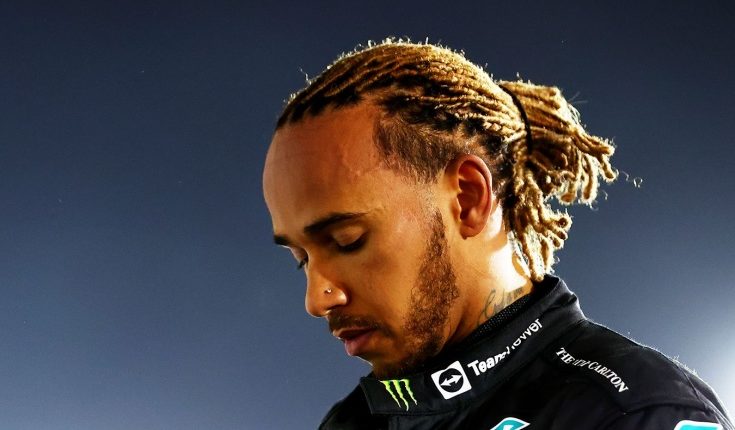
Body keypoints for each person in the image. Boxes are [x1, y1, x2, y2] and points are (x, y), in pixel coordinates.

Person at [262, 40, 733, 430]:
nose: (317, 299)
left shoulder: (635, 413)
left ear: (469, 198)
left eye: (347, 240)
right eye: (301, 258)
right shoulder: (351, 422)